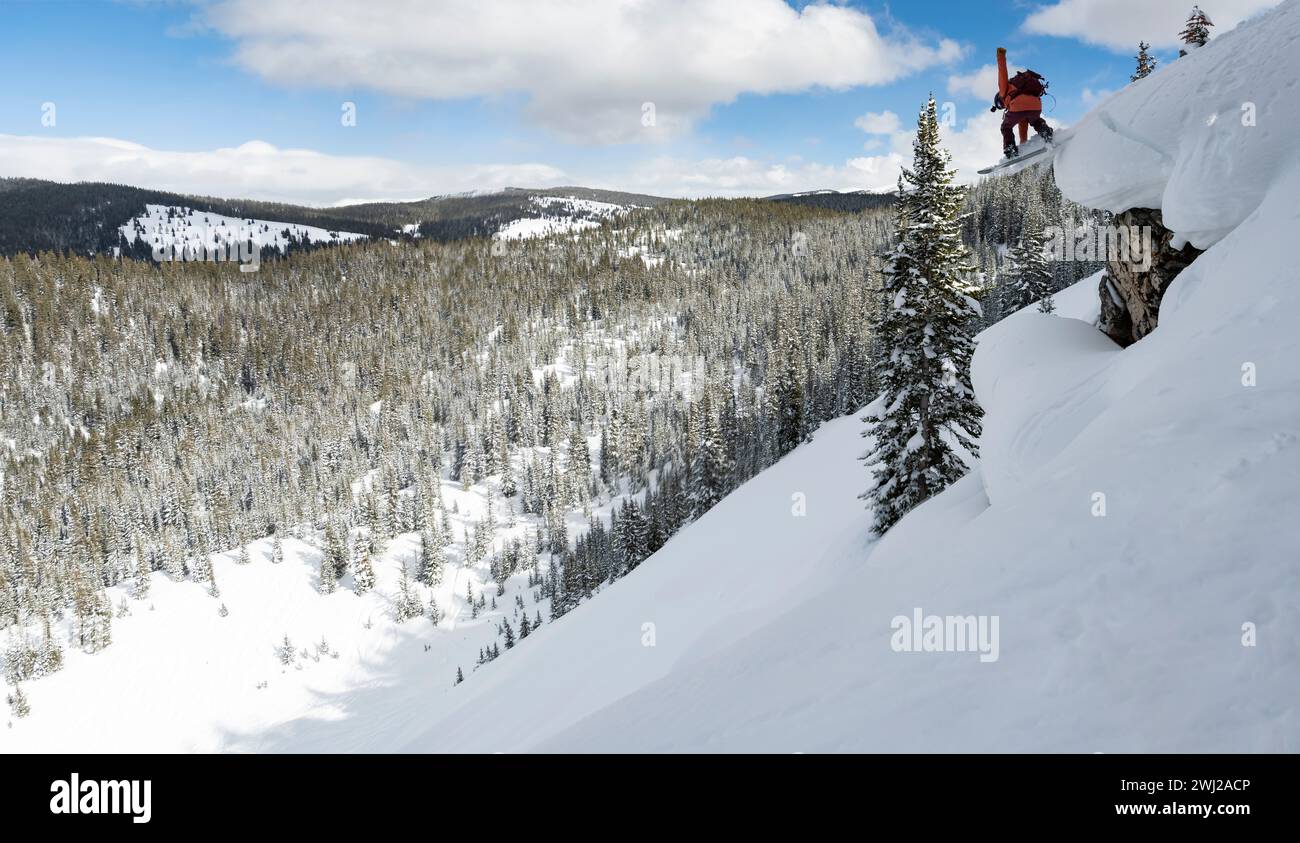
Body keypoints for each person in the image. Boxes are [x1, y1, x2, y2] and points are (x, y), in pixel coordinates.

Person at [996, 47, 1053, 159]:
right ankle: (1046, 133)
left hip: (1018, 106)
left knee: (1005, 127)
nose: (1003, 106)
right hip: (1036, 106)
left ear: (999, 98)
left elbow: (1002, 72)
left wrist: (1000, 56)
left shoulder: (1004, 91)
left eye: (1000, 105)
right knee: (1036, 121)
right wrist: (1024, 146)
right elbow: (1023, 129)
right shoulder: (1017, 91)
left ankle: (1010, 149)